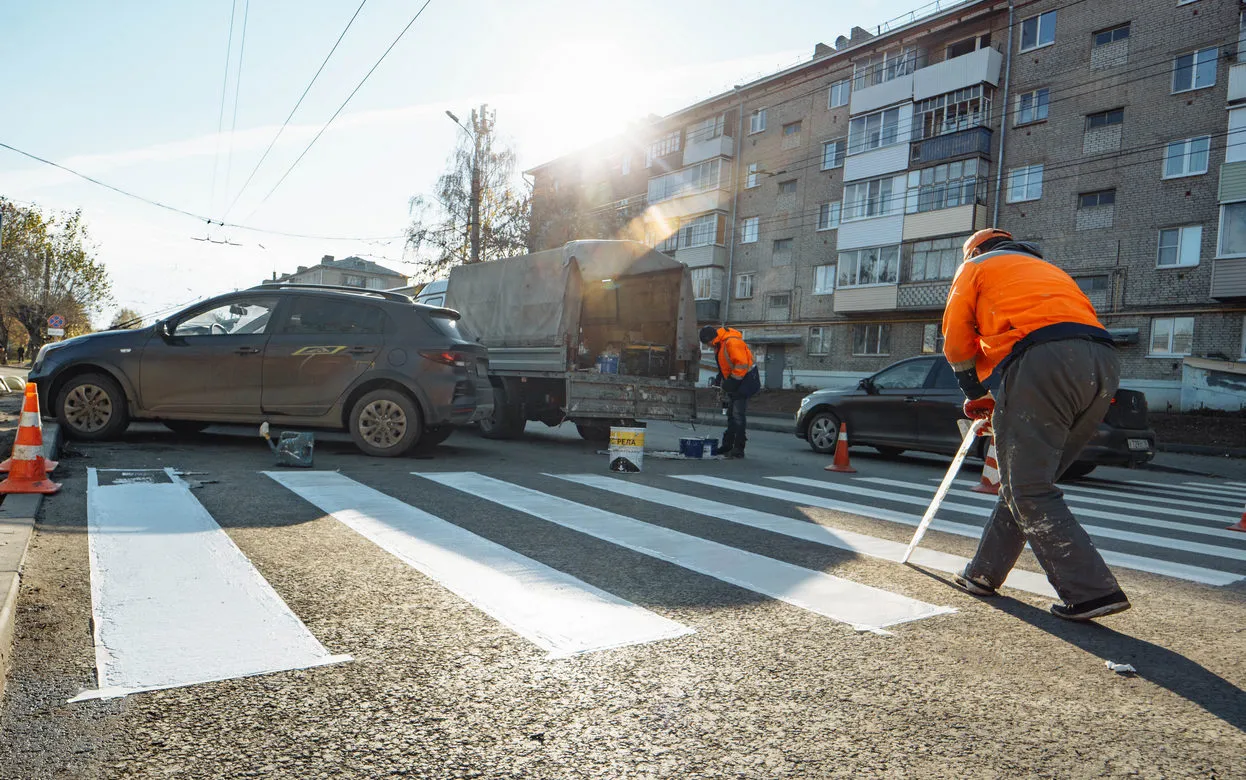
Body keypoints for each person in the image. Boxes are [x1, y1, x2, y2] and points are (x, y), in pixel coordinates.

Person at [942, 228, 1130, 622]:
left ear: (975, 250)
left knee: (1027, 487)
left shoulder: (976, 265)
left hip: (1044, 361)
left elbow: (957, 340)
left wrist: (975, 391)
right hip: (1102, 365)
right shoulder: (1048, 272)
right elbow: (1041, 329)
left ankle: (1092, 592)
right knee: (1027, 484)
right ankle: (982, 573)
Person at [700, 325, 759, 459]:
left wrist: (731, 382)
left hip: (747, 380)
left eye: (707, 344)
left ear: (711, 339)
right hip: (737, 379)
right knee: (731, 414)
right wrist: (720, 379)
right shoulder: (719, 345)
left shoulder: (731, 342)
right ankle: (728, 445)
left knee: (737, 414)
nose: (708, 347)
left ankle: (738, 448)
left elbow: (741, 365)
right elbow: (725, 366)